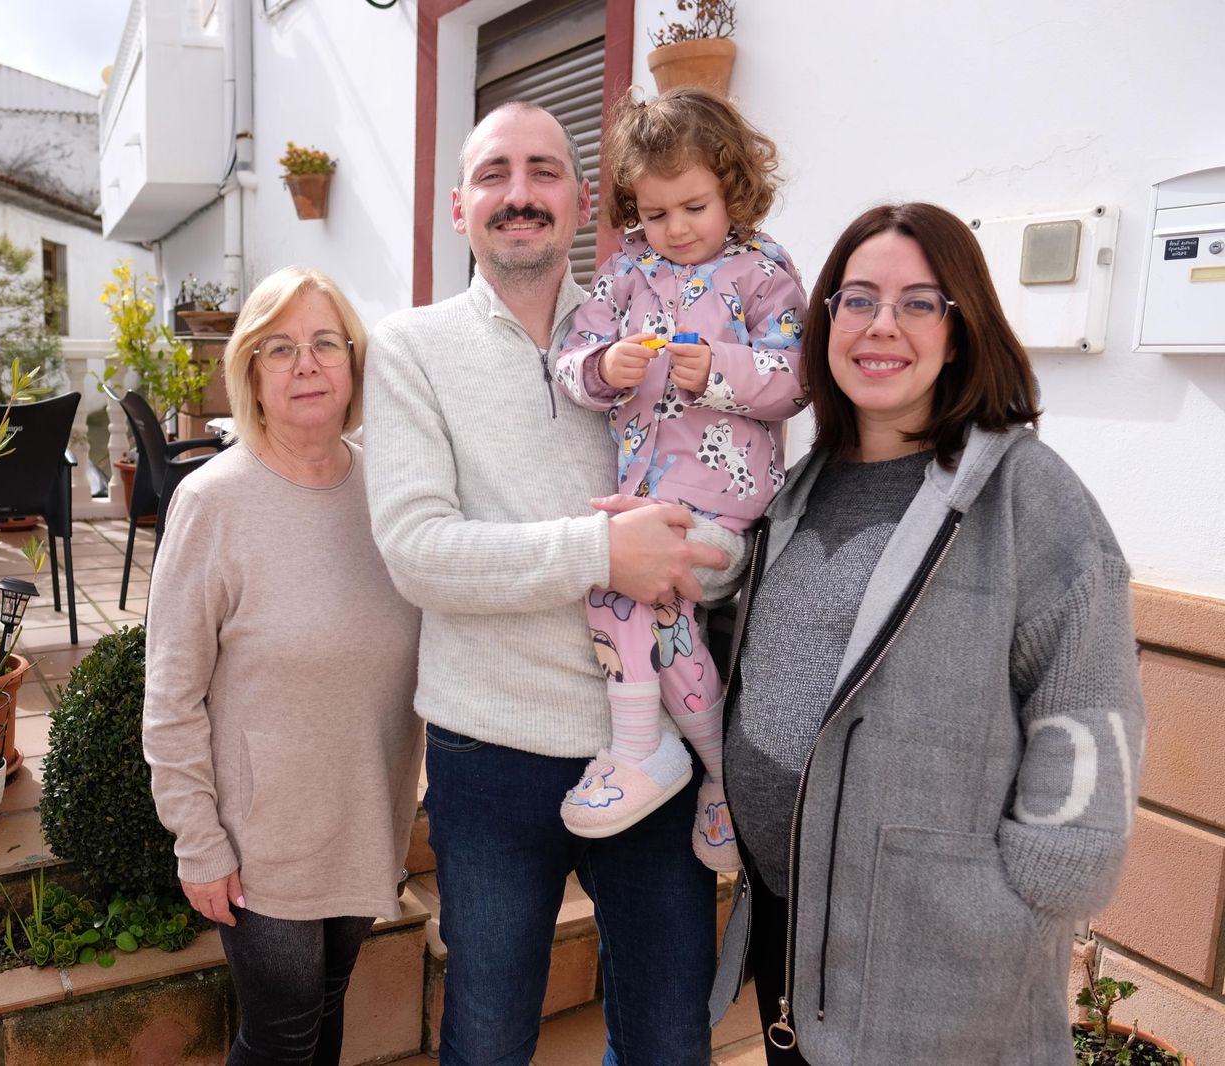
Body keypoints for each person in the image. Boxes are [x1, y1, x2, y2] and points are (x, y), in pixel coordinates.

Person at [711, 202, 1145, 1065]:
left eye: (919, 302)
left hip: (943, 959)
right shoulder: (800, 489)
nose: (883, 325)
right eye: (858, 298)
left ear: (961, 329)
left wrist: (1021, 906)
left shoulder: (1028, 497)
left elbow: (1091, 714)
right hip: (794, 931)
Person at [364, 101, 731, 1066]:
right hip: (489, 754)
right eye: (494, 174)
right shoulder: (410, 348)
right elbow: (416, 550)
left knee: (667, 1038)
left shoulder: (660, 322)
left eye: (543, 172)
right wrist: (602, 556)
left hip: (652, 753)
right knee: (486, 1039)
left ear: (580, 202)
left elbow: (727, 487)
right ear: (458, 208)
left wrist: (711, 558)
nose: (518, 194)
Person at [142, 266, 423, 1066]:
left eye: (326, 343)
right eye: (281, 347)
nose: (307, 363)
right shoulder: (212, 502)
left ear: (355, 364)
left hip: (365, 817)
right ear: (251, 374)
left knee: (323, 1011)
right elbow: (170, 695)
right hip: (262, 840)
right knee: (281, 1036)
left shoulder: (395, 489)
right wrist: (196, 840)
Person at [551, 87, 808, 861]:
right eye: (656, 214)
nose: (676, 229)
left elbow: (798, 377)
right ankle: (714, 781)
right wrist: (604, 365)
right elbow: (567, 364)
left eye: (694, 207)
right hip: (646, 506)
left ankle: (651, 753)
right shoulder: (627, 272)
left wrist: (718, 371)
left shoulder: (764, 271)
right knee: (636, 602)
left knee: (622, 590)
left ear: (734, 186)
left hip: (726, 518)